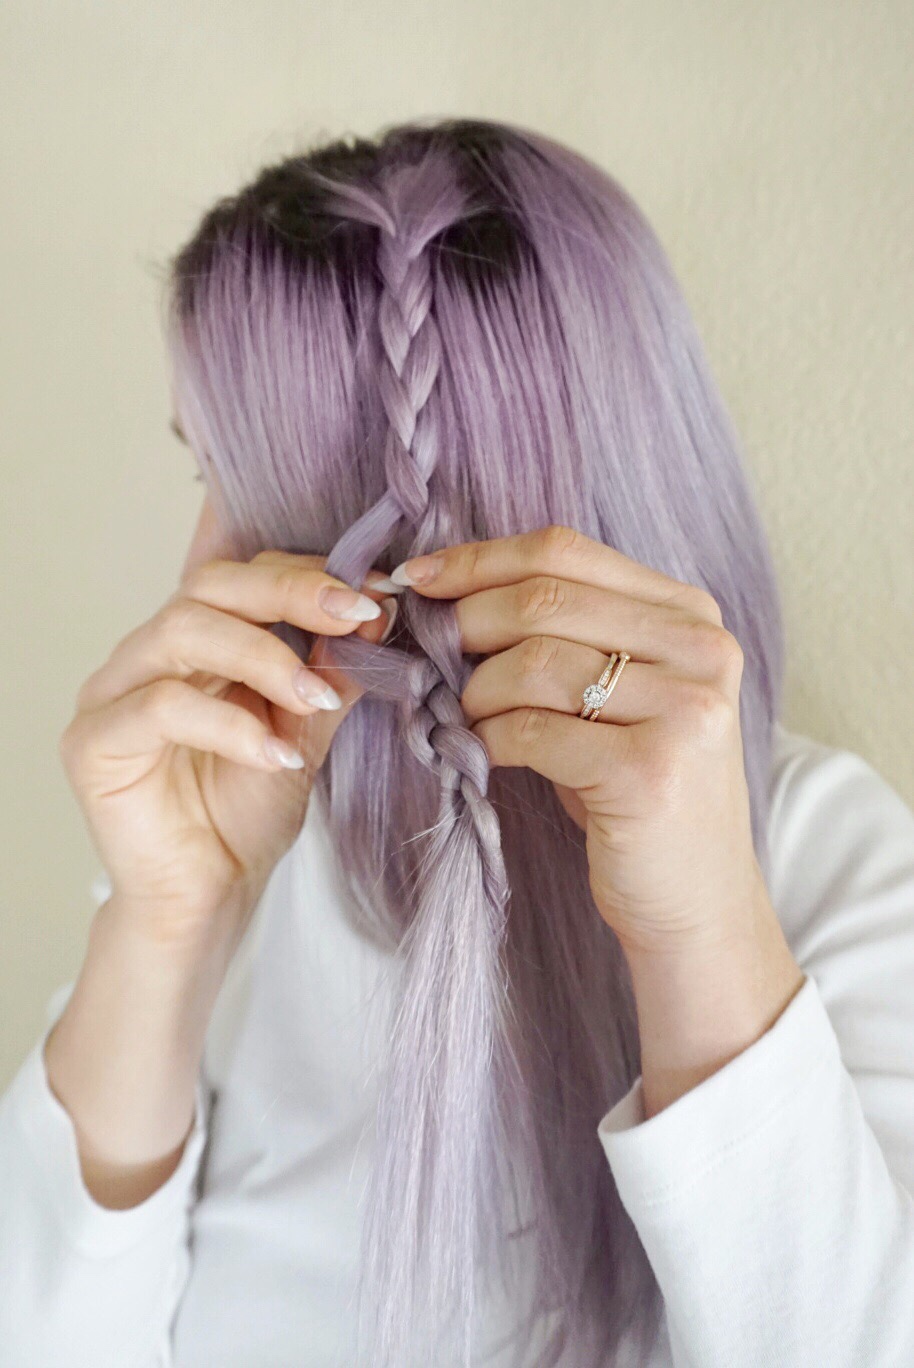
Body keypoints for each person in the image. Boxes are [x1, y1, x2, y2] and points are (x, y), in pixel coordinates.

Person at [1, 117, 912, 1368]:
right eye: (199, 473)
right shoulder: (242, 849)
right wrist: (167, 924)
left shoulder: (823, 864)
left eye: (239, 479)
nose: (196, 566)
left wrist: (697, 936)